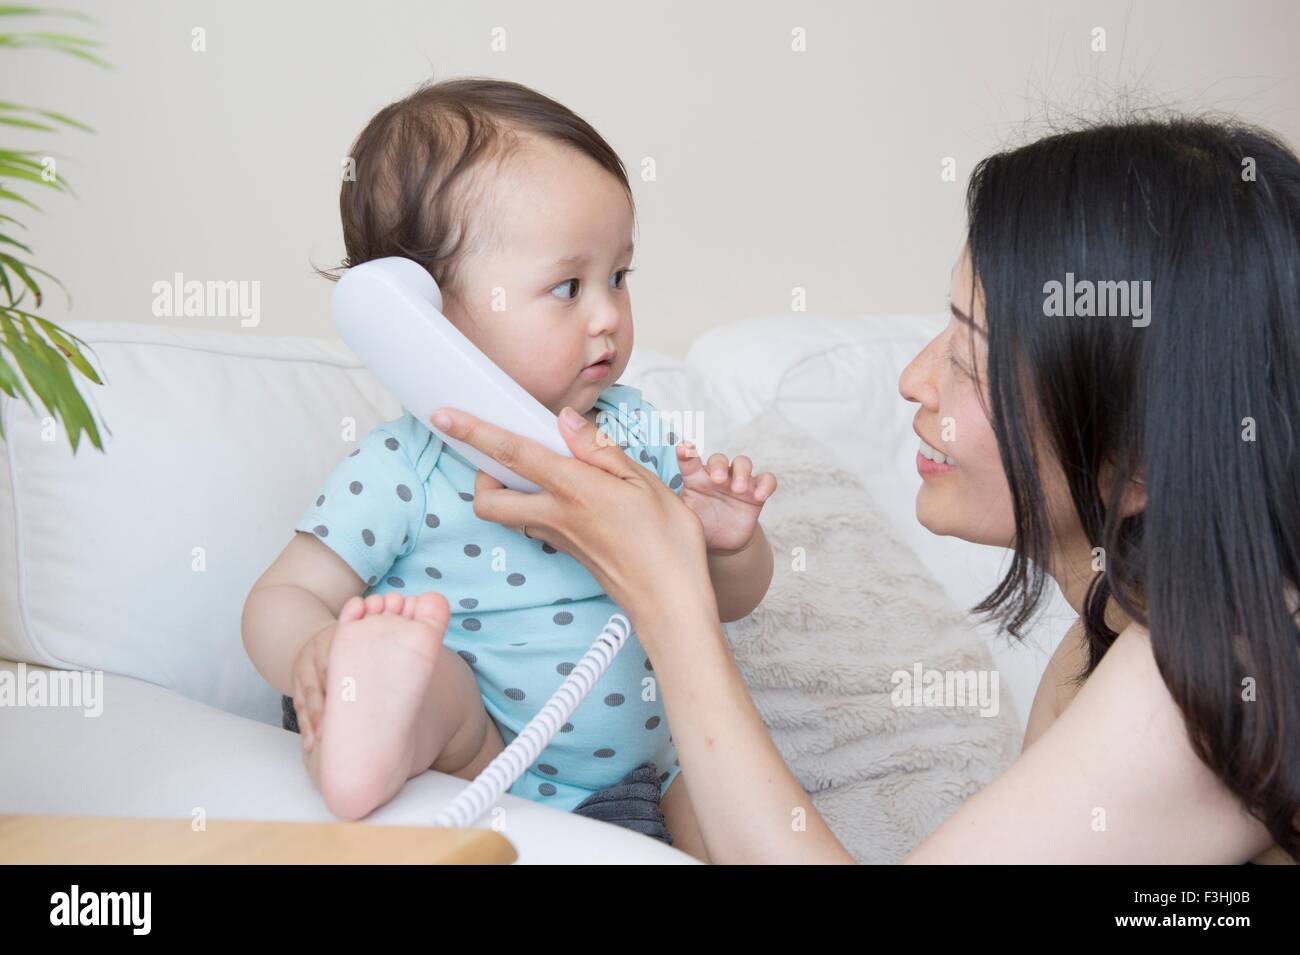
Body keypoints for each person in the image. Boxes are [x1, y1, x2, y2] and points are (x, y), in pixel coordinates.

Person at [427, 116, 1300, 863]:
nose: (917, 379)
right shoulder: (1101, 648)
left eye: (967, 357)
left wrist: (669, 595)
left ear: (1136, 461)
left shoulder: (1209, 677)